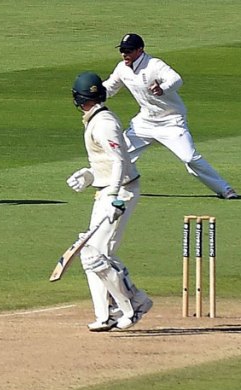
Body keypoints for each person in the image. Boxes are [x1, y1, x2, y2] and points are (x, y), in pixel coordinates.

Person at [103, 33, 238, 199]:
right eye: (122, 50)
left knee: (189, 157)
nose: (125, 54)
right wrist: (91, 94)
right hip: (145, 122)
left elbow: (176, 79)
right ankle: (110, 185)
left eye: (129, 50)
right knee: (119, 153)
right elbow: (109, 88)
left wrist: (163, 89)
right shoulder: (122, 68)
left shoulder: (154, 65)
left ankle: (225, 189)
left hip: (171, 121)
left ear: (140, 50)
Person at [68, 72, 153, 332]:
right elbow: (106, 162)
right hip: (107, 189)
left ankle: (135, 303)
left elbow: (120, 161)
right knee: (90, 252)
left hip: (120, 192)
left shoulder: (104, 123)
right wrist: (89, 174)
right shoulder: (94, 120)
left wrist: (115, 196)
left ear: (80, 99)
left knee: (99, 254)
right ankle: (104, 314)